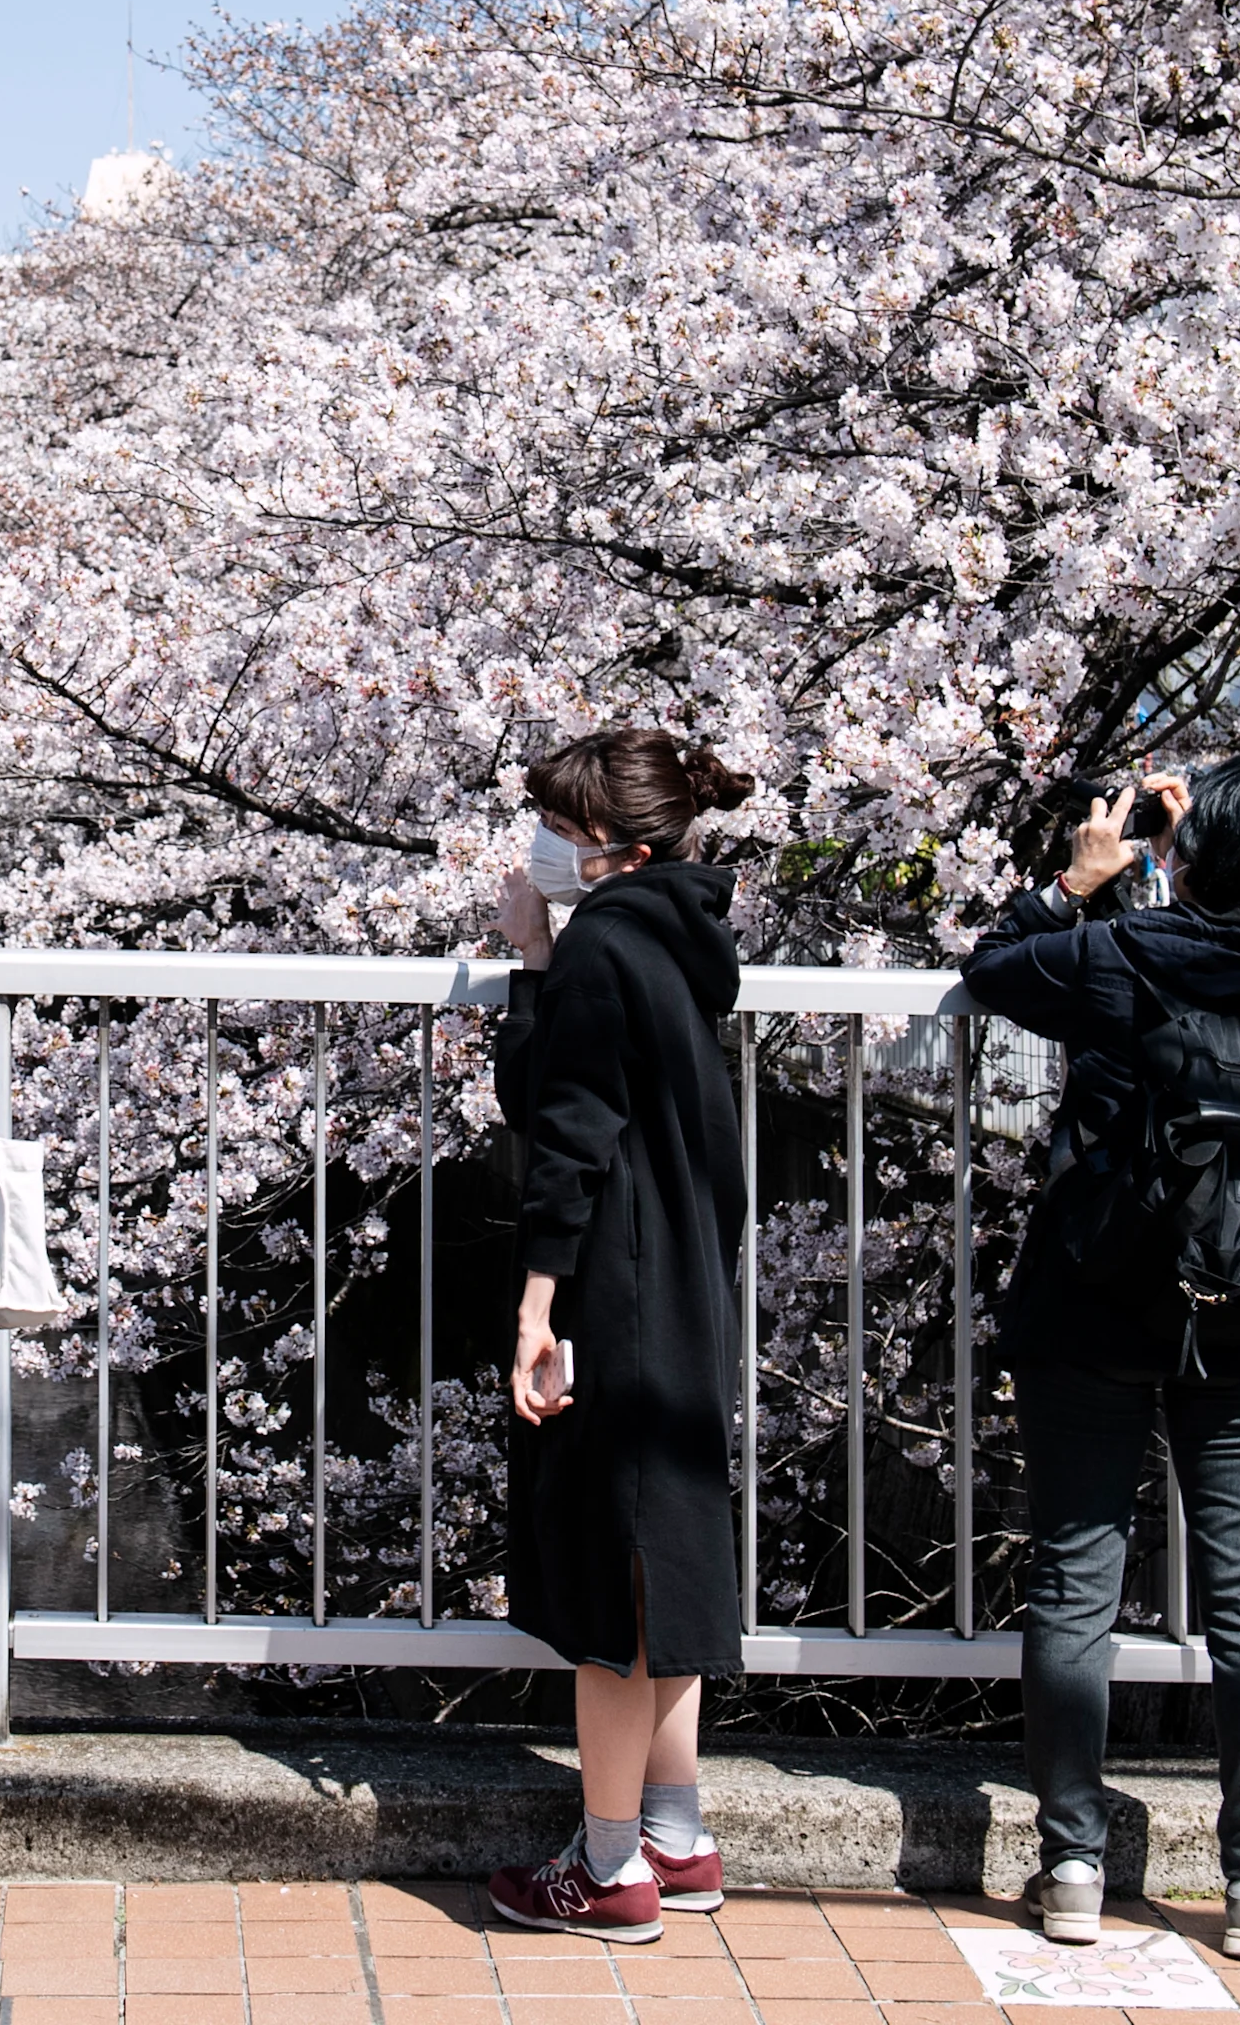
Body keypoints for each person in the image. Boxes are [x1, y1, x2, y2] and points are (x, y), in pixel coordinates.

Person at [962, 753, 1240, 1965]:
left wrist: (1089, 876)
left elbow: (991, 969)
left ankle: (1072, 1860)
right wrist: (1214, 858)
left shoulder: (1111, 954)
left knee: (1076, 1576)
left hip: (1095, 1295)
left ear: (1194, 853)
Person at [482, 727, 758, 1945]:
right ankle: (676, 1833)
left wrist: (540, 1306)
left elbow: (568, 1125)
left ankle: (603, 1869)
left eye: (561, 822)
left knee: (614, 1588)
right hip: (687, 1279)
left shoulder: (604, 940)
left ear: (613, 847)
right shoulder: (686, 935)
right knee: (672, 1560)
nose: (545, 836)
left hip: (618, 1287)